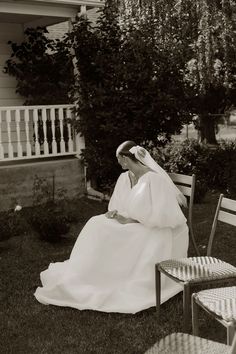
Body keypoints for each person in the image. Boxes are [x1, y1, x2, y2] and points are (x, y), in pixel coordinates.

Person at [34, 141, 189, 313]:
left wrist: (130, 221)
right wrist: (115, 214)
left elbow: (161, 215)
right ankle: (87, 273)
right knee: (95, 223)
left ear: (124, 158)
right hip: (127, 220)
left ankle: (110, 276)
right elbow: (117, 203)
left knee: (112, 232)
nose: (118, 163)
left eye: (118, 159)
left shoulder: (154, 179)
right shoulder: (125, 177)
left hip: (149, 227)